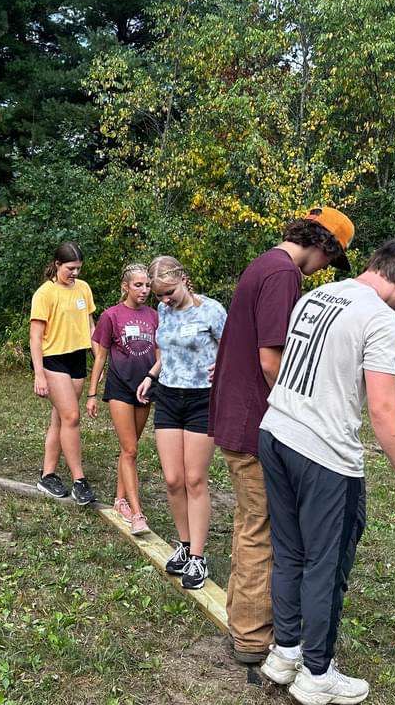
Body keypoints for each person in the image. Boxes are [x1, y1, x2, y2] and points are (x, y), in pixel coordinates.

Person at [258, 238, 395, 705]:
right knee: (326, 563)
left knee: (290, 552)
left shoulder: (317, 295)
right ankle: (316, 673)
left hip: (275, 433)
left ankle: (284, 653)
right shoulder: (380, 317)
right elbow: (382, 405)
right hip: (323, 453)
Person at [207, 207, 355, 665]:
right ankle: (252, 638)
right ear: (323, 245)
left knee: (250, 522)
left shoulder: (263, 263)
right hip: (254, 421)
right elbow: (272, 359)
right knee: (262, 529)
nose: (326, 270)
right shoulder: (283, 274)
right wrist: (296, 412)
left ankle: (244, 619)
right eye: (332, 260)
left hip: (235, 415)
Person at [137, 256, 226, 590]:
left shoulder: (212, 311)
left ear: (185, 280)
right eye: (159, 294)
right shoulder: (164, 311)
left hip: (202, 400)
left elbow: (234, 349)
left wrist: (226, 369)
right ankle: (185, 546)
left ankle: (199, 558)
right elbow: (165, 352)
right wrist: (151, 375)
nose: (164, 300)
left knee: (194, 479)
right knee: (173, 480)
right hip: (169, 398)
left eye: (169, 292)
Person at [87, 264, 159, 536]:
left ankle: (120, 500)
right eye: (138, 285)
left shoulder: (155, 315)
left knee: (130, 449)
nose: (144, 290)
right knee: (130, 450)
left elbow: (161, 353)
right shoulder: (111, 316)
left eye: (147, 285)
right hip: (119, 388)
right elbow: (101, 357)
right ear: (125, 286)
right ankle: (137, 513)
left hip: (145, 388)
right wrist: (92, 394)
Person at [30, 242, 97, 506]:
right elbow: (35, 337)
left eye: (78, 269)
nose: (75, 273)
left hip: (77, 358)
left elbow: (90, 326)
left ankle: (47, 475)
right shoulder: (45, 293)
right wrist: (39, 374)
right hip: (53, 359)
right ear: (57, 265)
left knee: (60, 420)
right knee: (71, 416)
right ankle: (79, 480)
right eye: (70, 268)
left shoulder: (84, 289)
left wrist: (98, 356)